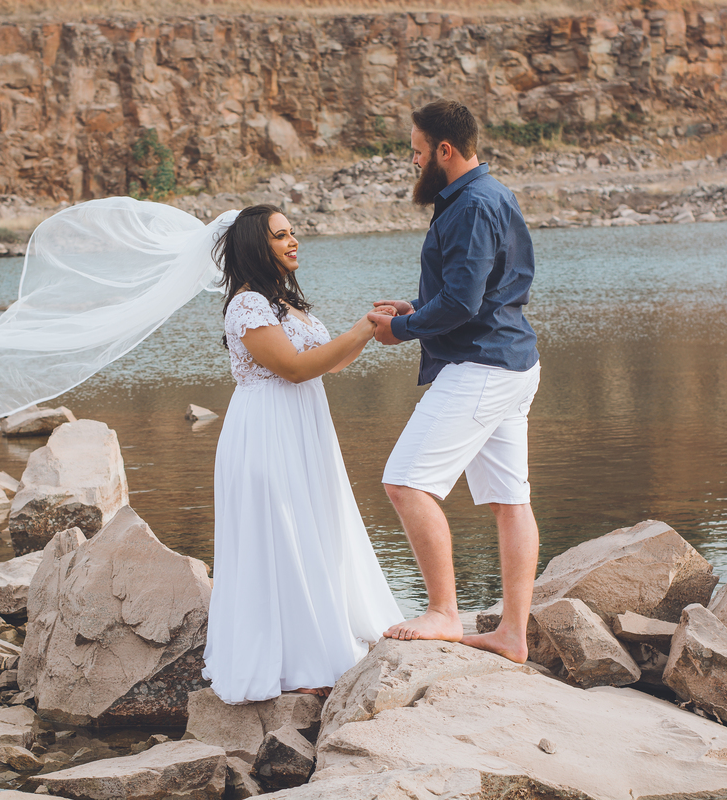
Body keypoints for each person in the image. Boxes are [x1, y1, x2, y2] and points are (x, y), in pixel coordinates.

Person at [203, 204, 404, 703]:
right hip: (266, 429)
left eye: (292, 232)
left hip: (304, 427)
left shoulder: (286, 304)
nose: (293, 241)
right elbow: (293, 369)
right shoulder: (247, 305)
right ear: (256, 245)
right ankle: (293, 659)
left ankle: (324, 634)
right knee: (281, 533)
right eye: (280, 235)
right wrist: (363, 327)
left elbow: (328, 365)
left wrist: (372, 329)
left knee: (315, 524)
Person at [367, 99, 541, 663]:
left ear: (444, 150)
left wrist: (402, 328)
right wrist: (417, 308)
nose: (414, 162)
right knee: (510, 500)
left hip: (481, 367)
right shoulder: (491, 194)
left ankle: (443, 612)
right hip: (511, 362)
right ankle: (512, 635)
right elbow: (482, 292)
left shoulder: (471, 205)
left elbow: (465, 303)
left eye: (417, 152)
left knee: (405, 483)